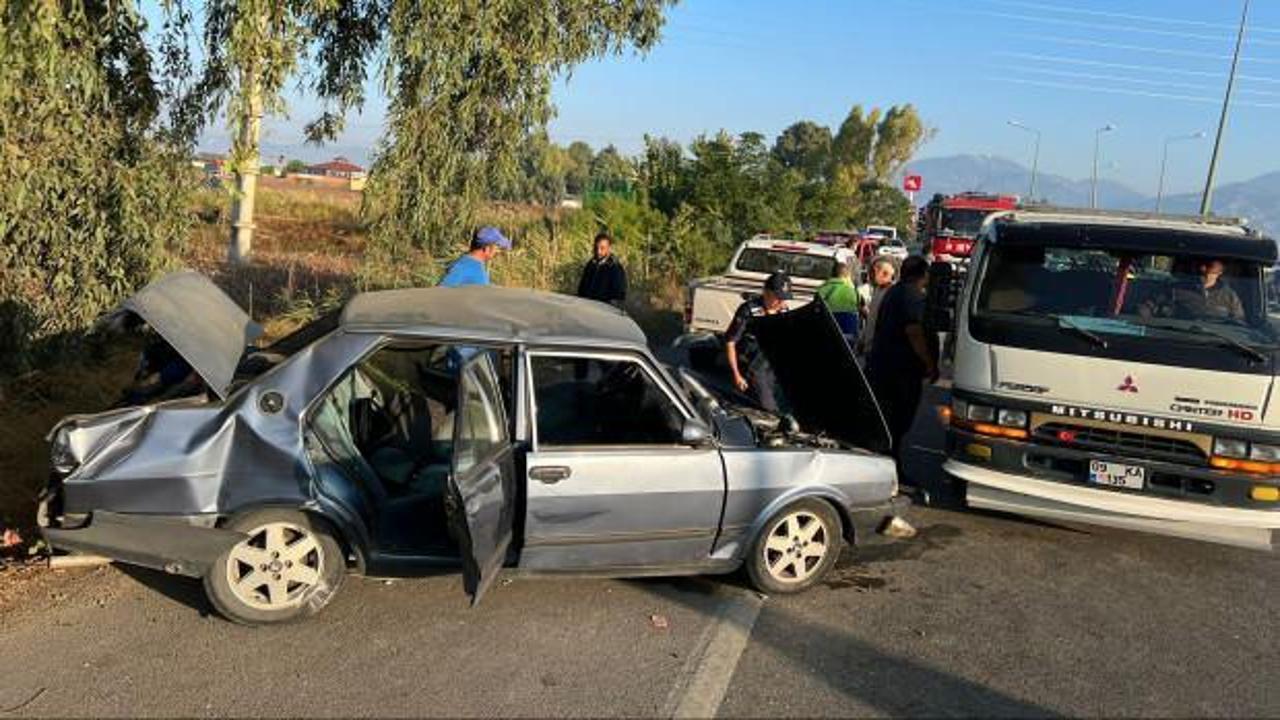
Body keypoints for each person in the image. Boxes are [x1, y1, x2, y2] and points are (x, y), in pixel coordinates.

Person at [866, 256, 939, 470]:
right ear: (923, 275)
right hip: (900, 371)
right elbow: (914, 331)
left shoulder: (894, 292)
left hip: (884, 366)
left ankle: (888, 463)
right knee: (898, 420)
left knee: (890, 420)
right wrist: (929, 363)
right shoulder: (911, 296)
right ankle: (886, 466)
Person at [725, 271, 792, 413]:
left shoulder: (784, 310)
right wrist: (736, 375)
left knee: (784, 407)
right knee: (768, 408)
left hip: (772, 368)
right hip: (752, 367)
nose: (781, 302)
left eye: (784, 298)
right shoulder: (749, 310)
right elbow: (730, 342)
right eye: (778, 297)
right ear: (766, 292)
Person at [1172, 259, 1245, 321]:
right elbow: (1166, 310)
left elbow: (1238, 318)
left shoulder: (1229, 295)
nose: (1206, 276)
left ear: (1220, 273)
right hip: (1182, 330)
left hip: (1218, 334)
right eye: (1204, 272)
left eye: (1212, 273)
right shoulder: (1180, 289)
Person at [438, 226, 511, 287]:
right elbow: (440, 291)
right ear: (486, 249)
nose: (497, 252)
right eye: (496, 248)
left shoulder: (475, 264)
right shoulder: (464, 266)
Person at [855, 256, 898, 355]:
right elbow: (872, 318)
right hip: (870, 349)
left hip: (880, 351)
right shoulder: (878, 290)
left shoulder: (892, 293)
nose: (870, 275)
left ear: (886, 274)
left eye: (875, 271)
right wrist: (863, 339)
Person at [576, 232, 628, 308]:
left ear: (609, 248)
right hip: (586, 306)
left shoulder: (615, 267)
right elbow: (581, 288)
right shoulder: (591, 264)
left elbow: (619, 295)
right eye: (596, 248)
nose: (598, 251)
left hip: (604, 310)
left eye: (602, 248)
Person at [815, 260, 862, 338]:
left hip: (829, 321)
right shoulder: (854, 291)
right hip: (849, 323)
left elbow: (815, 307)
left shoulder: (823, 289)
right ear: (848, 275)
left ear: (832, 274)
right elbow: (862, 309)